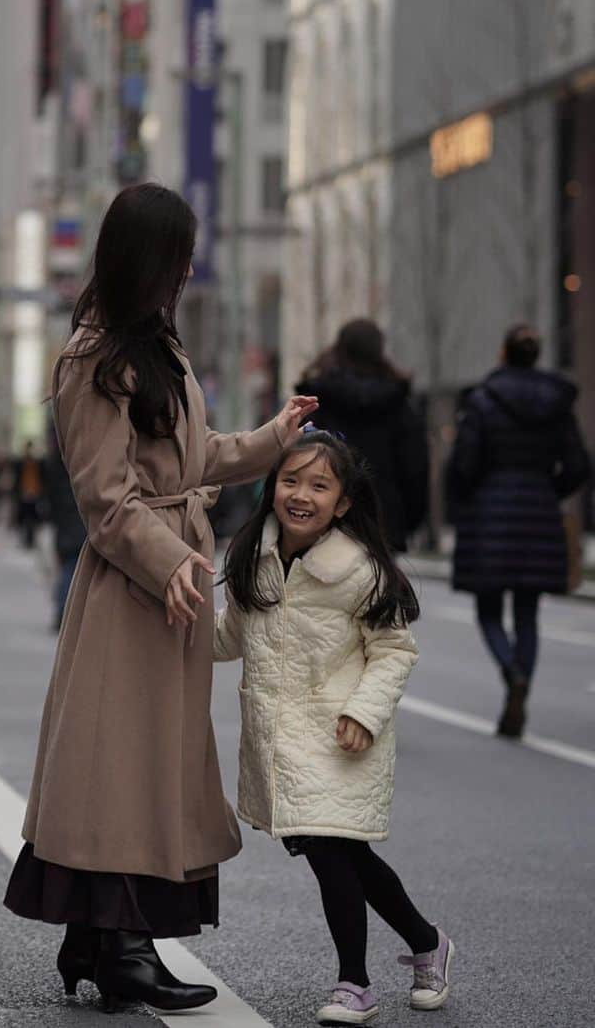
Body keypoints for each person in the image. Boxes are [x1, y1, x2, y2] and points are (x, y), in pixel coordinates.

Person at [4, 182, 316, 1014]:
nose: (185, 267)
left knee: (142, 766)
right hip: (131, 591)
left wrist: (270, 441)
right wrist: (171, 557)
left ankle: (97, 938)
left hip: (169, 587)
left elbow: (193, 455)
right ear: (147, 257)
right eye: (177, 252)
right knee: (123, 770)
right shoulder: (92, 358)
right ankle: (124, 950)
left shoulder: (154, 347)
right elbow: (106, 498)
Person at [217, 429, 454, 1023]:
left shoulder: (360, 571)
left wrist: (363, 713)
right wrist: (178, 620)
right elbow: (229, 637)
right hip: (282, 740)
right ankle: (427, 942)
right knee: (348, 859)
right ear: (273, 487)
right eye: (290, 481)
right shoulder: (255, 558)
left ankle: (355, 983)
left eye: (319, 485)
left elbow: (395, 650)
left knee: (332, 856)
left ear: (343, 502)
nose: (301, 495)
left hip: (338, 737)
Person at [447, 324, 590, 738]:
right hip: (540, 512)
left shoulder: (482, 400)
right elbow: (579, 465)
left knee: (488, 609)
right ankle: (522, 674)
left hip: (491, 512)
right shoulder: (558, 403)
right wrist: (549, 491)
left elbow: (464, 463)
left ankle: (512, 673)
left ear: (503, 353)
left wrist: (468, 500)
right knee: (527, 611)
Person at [296, 318, 428, 551]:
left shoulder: (318, 401)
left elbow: (298, 457)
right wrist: (408, 520)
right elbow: (415, 468)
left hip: (325, 515)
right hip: (384, 519)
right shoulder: (398, 404)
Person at [43, 421, 86, 632]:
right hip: (79, 523)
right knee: (72, 569)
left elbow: (51, 499)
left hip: (66, 524)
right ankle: (65, 613)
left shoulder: (55, 464)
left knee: (67, 568)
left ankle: (62, 611)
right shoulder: (83, 461)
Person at [13, 440, 47, 549]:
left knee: (33, 518)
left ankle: (31, 540)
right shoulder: (20, 463)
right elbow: (17, 479)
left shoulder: (38, 463)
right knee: (24, 518)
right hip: (23, 493)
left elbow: (43, 478)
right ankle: (26, 539)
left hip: (35, 493)